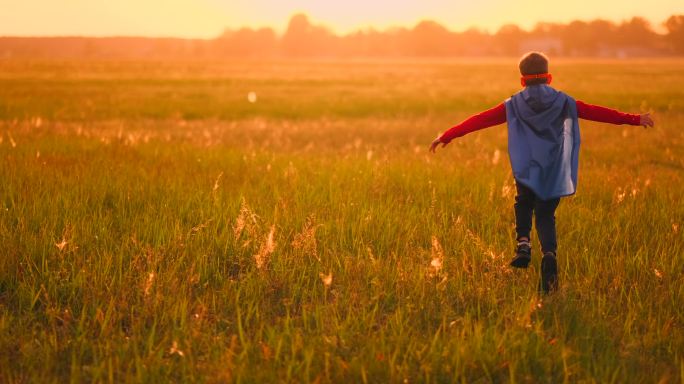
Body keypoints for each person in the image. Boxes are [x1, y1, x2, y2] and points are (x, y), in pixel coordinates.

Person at [429, 52, 654, 293]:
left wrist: (448, 135)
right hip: (553, 167)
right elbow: (597, 112)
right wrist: (635, 118)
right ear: (549, 77)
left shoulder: (513, 104)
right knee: (546, 214)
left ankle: (523, 244)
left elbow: (480, 120)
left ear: (522, 81)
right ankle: (549, 255)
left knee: (523, 202)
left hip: (526, 166)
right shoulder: (564, 101)